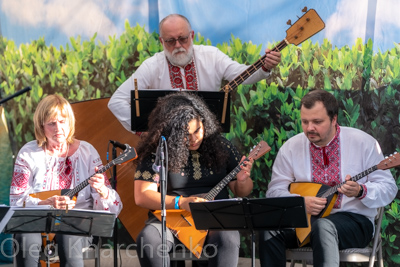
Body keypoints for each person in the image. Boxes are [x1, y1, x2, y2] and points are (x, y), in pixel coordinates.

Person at [259, 89, 398, 267]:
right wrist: (299, 203)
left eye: (317, 122)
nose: (309, 128)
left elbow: (388, 188)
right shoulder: (291, 147)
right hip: (305, 223)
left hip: (353, 222)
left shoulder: (363, 143)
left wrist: (361, 190)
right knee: (269, 231)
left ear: (334, 119)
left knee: (323, 227)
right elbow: (275, 190)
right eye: (305, 121)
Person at [134, 92, 254, 266]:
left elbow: (242, 191)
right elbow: (142, 195)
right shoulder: (158, 151)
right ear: (170, 131)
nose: (194, 138)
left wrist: (242, 181)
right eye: (185, 134)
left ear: (204, 122)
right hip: (171, 220)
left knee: (227, 237)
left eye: (197, 130)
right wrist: (181, 202)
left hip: (214, 219)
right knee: (148, 239)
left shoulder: (222, 146)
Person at [108, 13, 281, 132]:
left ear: (192, 35)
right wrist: (144, 132)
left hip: (207, 138)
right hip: (167, 144)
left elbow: (242, 76)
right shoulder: (152, 65)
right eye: (170, 41)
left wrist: (265, 67)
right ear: (161, 41)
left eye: (182, 39)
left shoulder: (211, 56)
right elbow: (116, 102)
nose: (177, 46)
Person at [9, 94, 123, 267]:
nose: (58, 128)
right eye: (51, 123)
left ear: (70, 122)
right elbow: (15, 201)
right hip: (36, 225)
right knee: (25, 238)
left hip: (76, 227)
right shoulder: (28, 153)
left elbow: (114, 209)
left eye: (63, 121)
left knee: (69, 236)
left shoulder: (87, 152)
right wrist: (46, 202)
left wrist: (102, 191)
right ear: (41, 126)